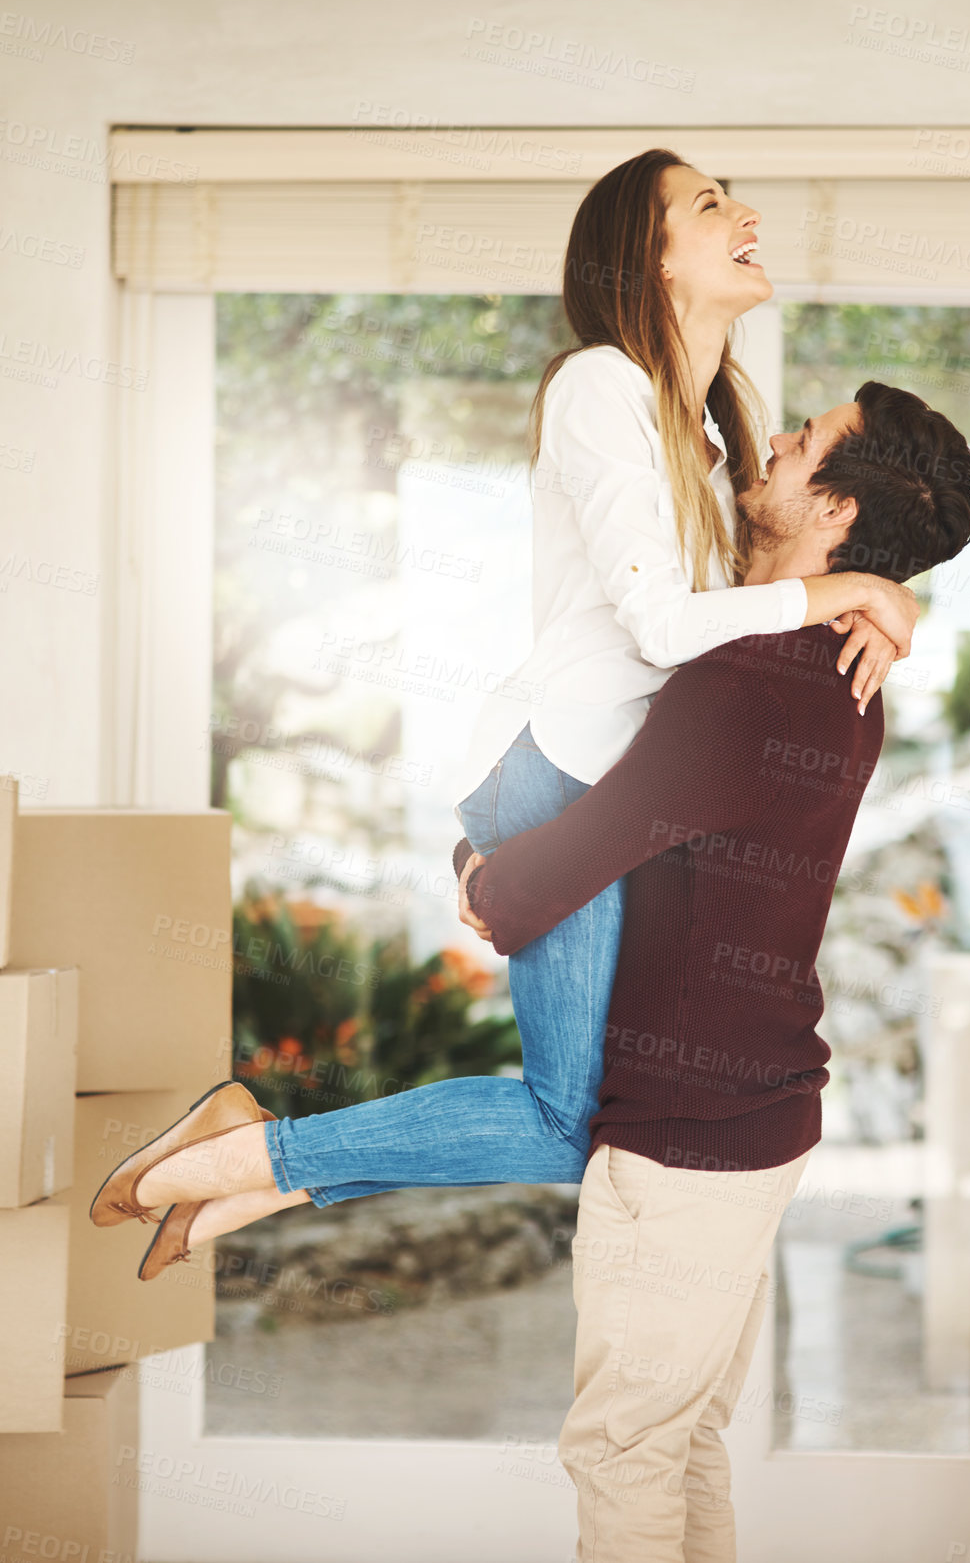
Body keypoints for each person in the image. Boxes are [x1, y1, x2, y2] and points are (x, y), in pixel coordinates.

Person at [88, 153, 919, 1272]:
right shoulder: (602, 388)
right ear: (651, 258)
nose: (748, 214)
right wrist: (848, 588)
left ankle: (255, 1164)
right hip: (561, 772)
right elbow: (662, 628)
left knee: (581, 1121)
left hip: (601, 781)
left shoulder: (710, 432)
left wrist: (884, 591)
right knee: (571, 1122)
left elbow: (758, 604)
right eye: (711, 205)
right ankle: (257, 1158)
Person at [452, 381, 970, 1562]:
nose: (776, 440)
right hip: (752, 1115)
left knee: (627, 1450)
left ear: (834, 515)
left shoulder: (748, 680)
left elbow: (531, 892)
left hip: (685, 1135)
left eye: (805, 442)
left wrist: (470, 862)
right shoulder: (829, 662)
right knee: (676, 1441)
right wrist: (884, 598)